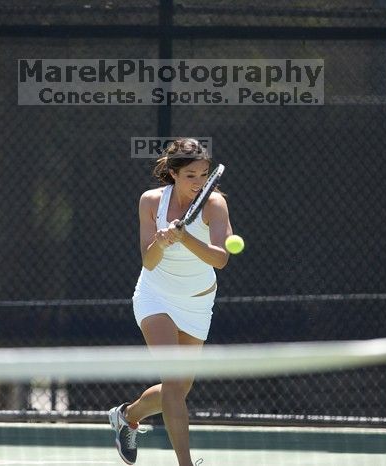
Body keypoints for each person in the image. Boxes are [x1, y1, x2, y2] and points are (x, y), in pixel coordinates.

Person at [109, 138, 232, 466]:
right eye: (191, 175)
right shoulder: (150, 202)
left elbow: (220, 259)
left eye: (204, 175)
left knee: (175, 389)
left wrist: (185, 237)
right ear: (173, 173)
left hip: (197, 304)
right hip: (155, 297)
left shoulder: (215, 204)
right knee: (175, 386)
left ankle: (127, 416)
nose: (199, 182)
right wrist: (162, 242)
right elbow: (148, 262)